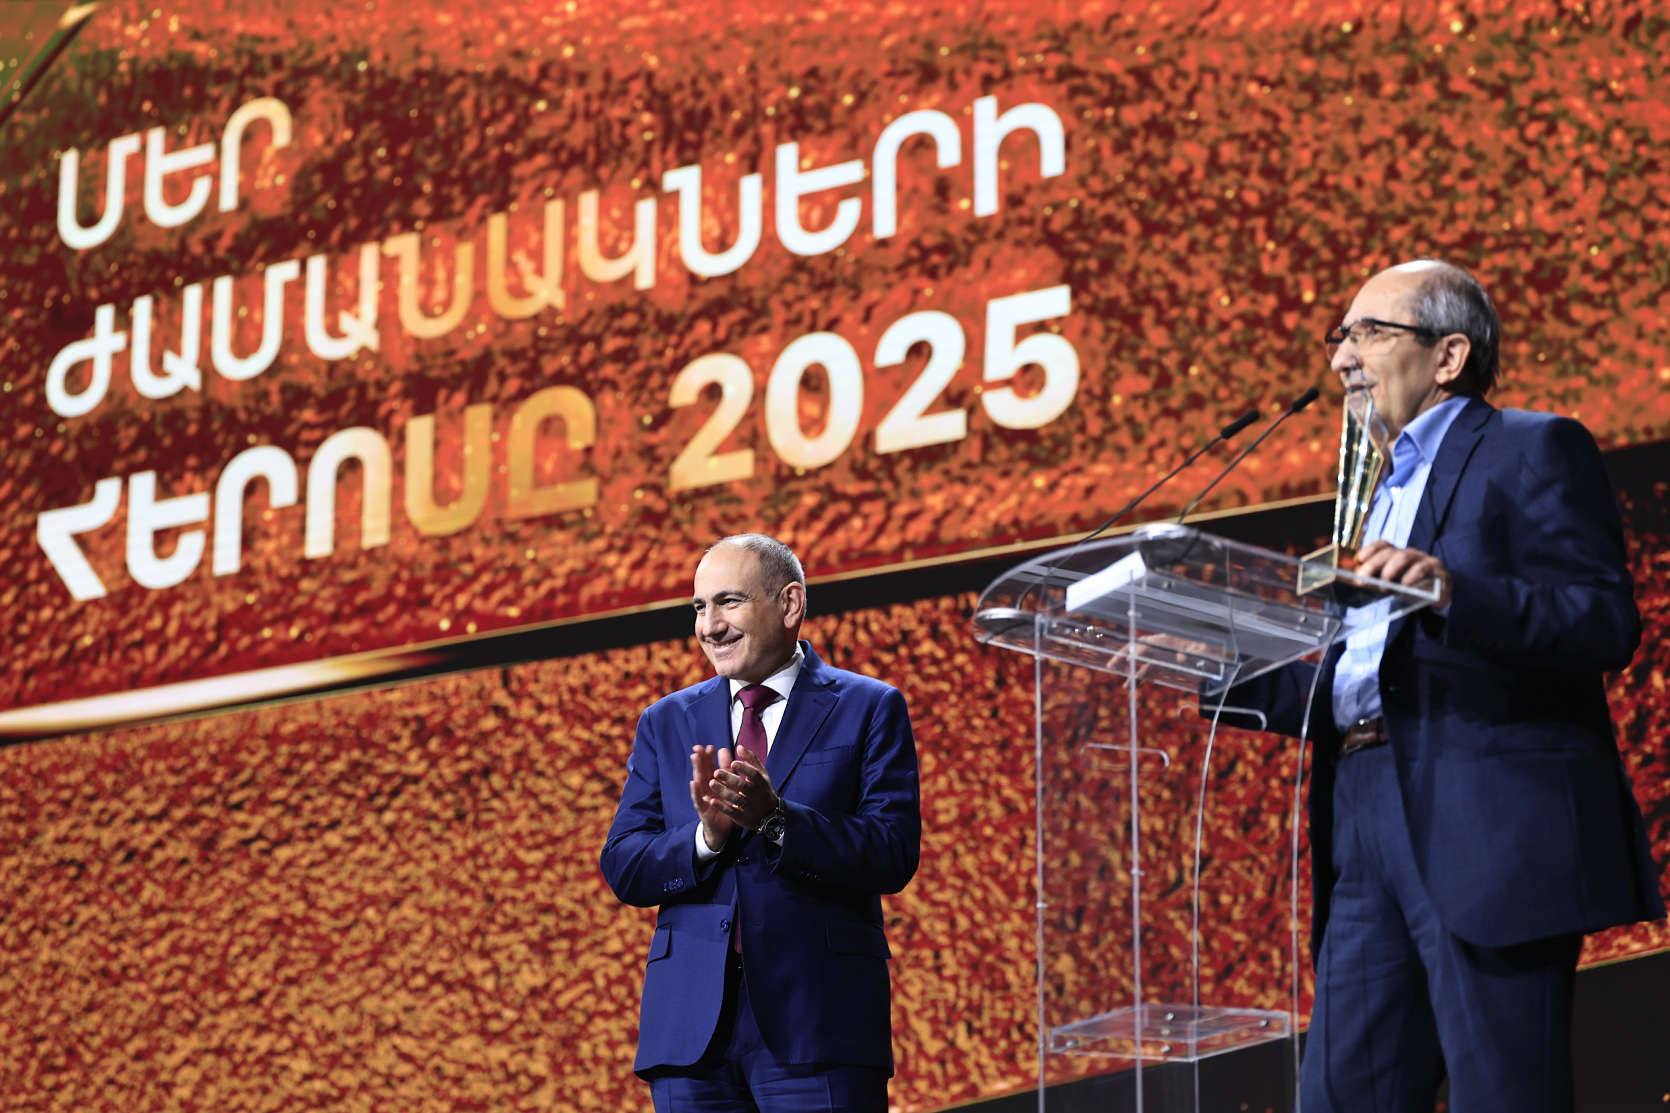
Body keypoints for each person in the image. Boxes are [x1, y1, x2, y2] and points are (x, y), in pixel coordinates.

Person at [1219, 260, 1663, 1112]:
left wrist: (1455, 592)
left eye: (1367, 332)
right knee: (1342, 1097)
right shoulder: (1370, 491)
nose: (1342, 356)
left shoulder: (1533, 446)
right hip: (1360, 812)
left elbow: (1605, 621)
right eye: (1340, 336)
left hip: (1485, 816)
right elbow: (1363, 681)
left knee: (1503, 1095)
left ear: (1449, 355)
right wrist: (1214, 665)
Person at [600, 533, 921, 1113]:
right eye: (700, 607)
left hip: (819, 1020)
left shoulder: (869, 706)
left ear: (790, 604)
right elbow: (625, 863)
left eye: (729, 601)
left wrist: (774, 819)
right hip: (691, 1033)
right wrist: (706, 838)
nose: (710, 626)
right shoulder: (665, 721)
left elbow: (891, 852)